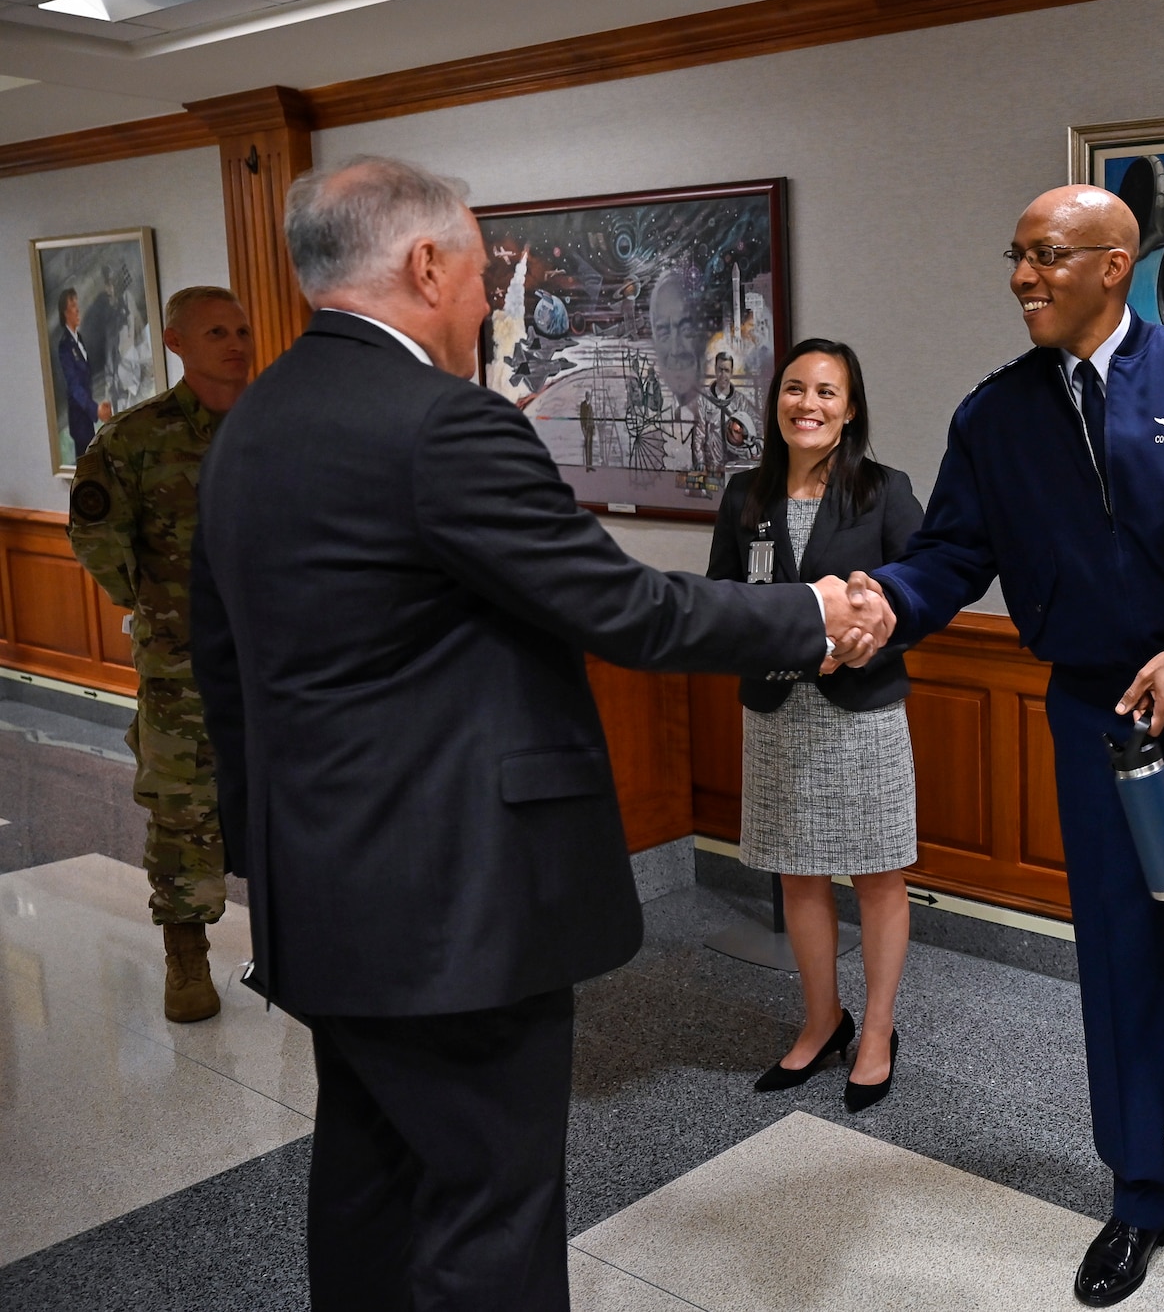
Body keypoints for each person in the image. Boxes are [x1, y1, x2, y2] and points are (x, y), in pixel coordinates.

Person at [189, 155, 894, 1312]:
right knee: (489, 1203)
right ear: (424, 265)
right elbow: (624, 608)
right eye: (479, 272)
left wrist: (265, 855)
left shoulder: (254, 422)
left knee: (368, 1175)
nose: (487, 300)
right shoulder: (441, 424)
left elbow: (221, 667)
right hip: (456, 907)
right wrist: (813, 610)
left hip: (327, 895)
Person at [865, 187, 1164, 1312]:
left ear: (1114, 263)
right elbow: (947, 555)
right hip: (1095, 717)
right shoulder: (995, 416)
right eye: (1015, 254)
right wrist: (880, 604)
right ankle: (1141, 1193)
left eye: (1043, 255)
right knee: (1119, 966)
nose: (1020, 276)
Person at [708, 338, 926, 1112]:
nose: (809, 404)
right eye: (795, 389)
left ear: (852, 407)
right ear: (776, 403)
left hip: (862, 712)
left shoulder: (884, 491)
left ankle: (878, 1030)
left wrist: (865, 637)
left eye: (827, 392)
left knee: (877, 872)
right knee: (796, 871)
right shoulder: (745, 495)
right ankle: (822, 1020)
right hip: (775, 710)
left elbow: (921, 595)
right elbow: (722, 601)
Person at [67, 285, 252, 1023]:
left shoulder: (279, 427)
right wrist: (161, 611)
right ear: (176, 341)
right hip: (184, 667)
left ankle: (300, 943)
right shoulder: (134, 440)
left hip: (281, 658)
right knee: (184, 811)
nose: (236, 343)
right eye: (216, 331)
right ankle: (187, 959)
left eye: (241, 329)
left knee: (292, 799)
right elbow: (97, 538)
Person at [53, 287, 111, 461]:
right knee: (87, 470)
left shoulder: (79, 341)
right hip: (79, 420)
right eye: (72, 305)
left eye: (77, 304)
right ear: (65, 313)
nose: (77, 309)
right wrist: (95, 409)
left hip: (86, 417)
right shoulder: (65, 346)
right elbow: (74, 386)